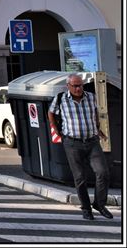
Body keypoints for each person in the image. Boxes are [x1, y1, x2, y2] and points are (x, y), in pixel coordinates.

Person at [48, 73, 112, 220]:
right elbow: (51, 113)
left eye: (80, 85)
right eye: (75, 86)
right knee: (80, 177)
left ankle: (99, 204)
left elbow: (95, 113)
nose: (78, 89)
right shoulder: (61, 99)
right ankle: (86, 209)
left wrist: (98, 128)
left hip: (92, 141)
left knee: (102, 172)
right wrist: (56, 129)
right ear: (68, 86)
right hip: (72, 143)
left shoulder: (91, 97)